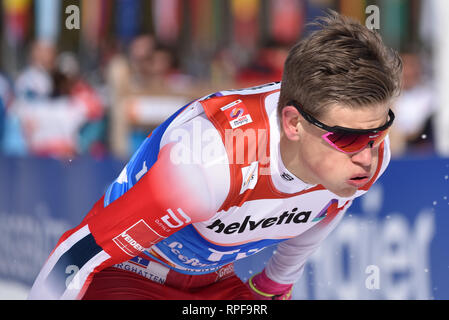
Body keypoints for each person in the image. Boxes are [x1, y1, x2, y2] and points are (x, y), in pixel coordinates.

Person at [28, 11, 402, 300]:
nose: (367, 158)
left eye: (380, 131)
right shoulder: (211, 164)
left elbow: (326, 209)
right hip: (129, 273)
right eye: (349, 139)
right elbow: (75, 254)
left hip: (214, 286)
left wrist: (272, 286)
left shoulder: (366, 149)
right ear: (293, 124)